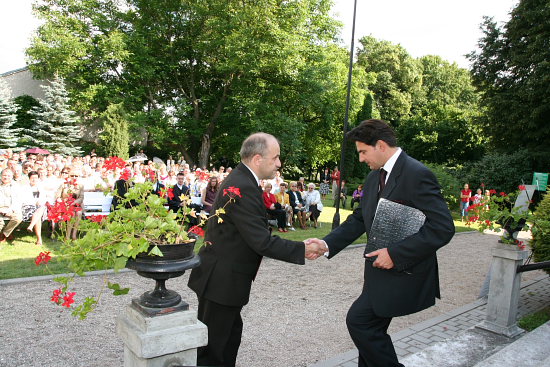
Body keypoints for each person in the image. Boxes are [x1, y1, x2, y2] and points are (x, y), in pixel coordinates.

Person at [306, 119, 455, 367]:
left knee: (360, 322)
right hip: (377, 273)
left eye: (364, 152)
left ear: (382, 145)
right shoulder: (375, 177)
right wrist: (326, 244)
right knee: (370, 336)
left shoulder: (417, 174)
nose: (362, 159)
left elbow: (443, 228)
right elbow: (361, 218)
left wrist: (396, 254)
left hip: (403, 270)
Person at [188, 132, 323, 367]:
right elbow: (260, 240)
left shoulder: (242, 180)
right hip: (222, 280)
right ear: (258, 158)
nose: (279, 164)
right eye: (276, 158)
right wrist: (302, 248)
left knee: (228, 339)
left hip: (222, 277)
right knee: (214, 351)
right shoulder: (243, 185)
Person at [0, 169, 23, 243]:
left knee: (18, 218)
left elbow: (18, 201)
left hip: (11, 209)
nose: (6, 177)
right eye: (4, 175)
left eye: (8, 176)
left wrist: (10, 210)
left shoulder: (16, 186)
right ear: (1, 176)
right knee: (1, 223)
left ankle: (4, 234)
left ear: (12, 177)